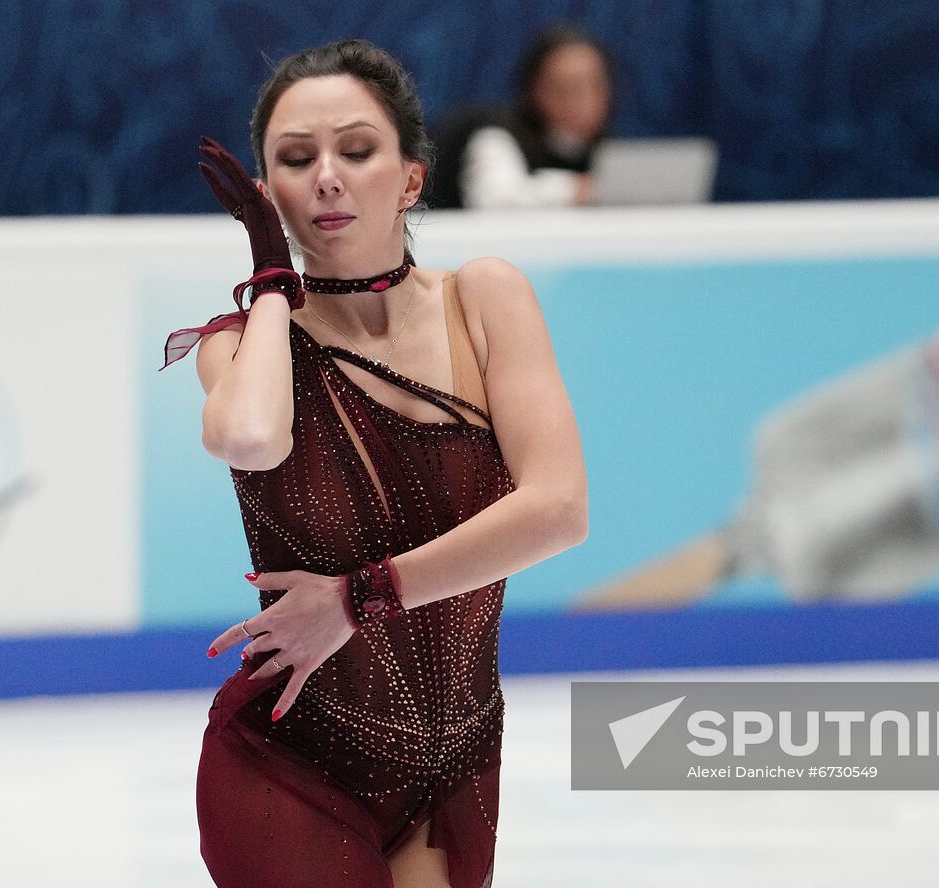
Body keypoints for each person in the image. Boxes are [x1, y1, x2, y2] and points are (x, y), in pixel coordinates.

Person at [159, 39, 588, 888]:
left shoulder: (486, 300)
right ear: (266, 190)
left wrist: (361, 597)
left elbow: (558, 509)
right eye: (295, 159)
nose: (326, 176)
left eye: (356, 150)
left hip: (452, 754)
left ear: (411, 178)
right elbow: (251, 438)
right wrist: (272, 280)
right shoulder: (242, 344)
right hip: (290, 758)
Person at [429, 24, 614, 210]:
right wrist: (572, 190)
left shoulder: (611, 151)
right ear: (535, 90)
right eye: (565, 87)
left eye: (593, 86)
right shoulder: (496, 136)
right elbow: (496, 198)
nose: (581, 100)